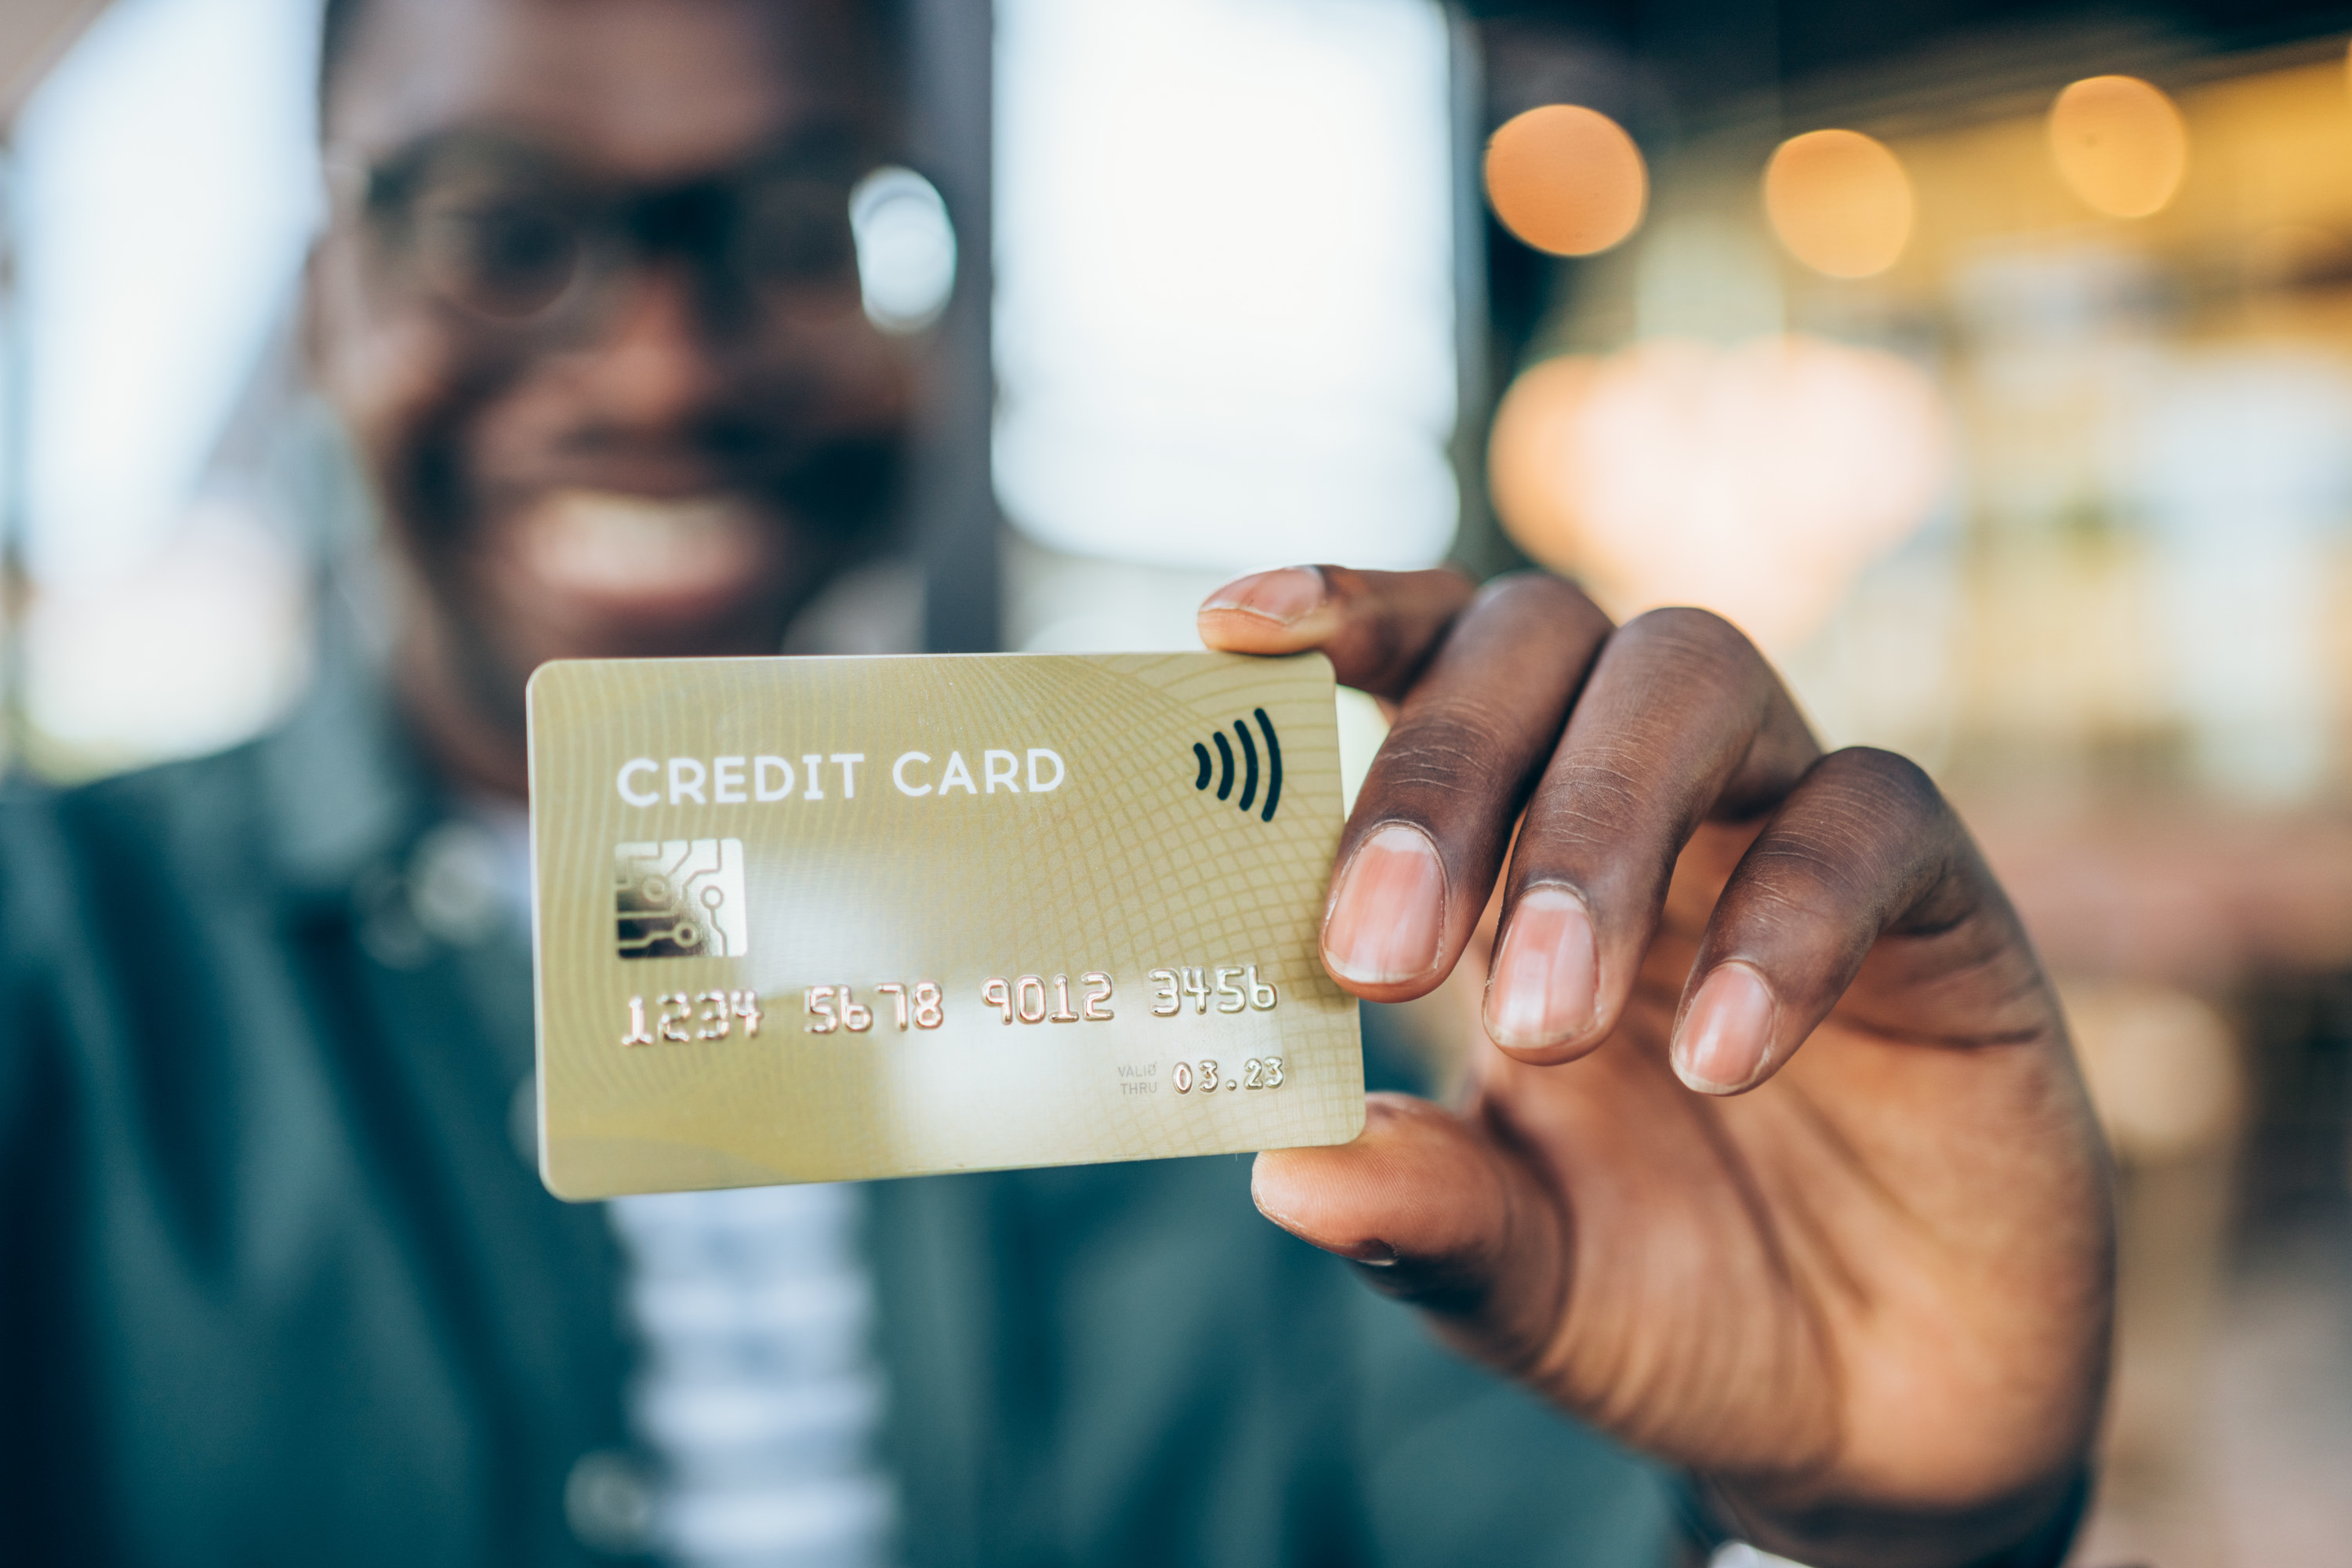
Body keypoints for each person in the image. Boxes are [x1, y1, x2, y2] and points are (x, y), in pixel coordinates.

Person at [0, 0, 2112, 1563]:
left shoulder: (1239, 984)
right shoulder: (49, 973)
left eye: (800, 222)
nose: (657, 357)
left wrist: (1875, 1527)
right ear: (322, 294)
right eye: (494, 223)